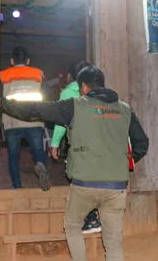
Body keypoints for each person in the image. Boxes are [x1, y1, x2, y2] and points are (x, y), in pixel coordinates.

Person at [0, 65, 149, 261]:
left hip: (84, 185)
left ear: (85, 87)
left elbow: (35, 110)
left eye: (81, 88)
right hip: (116, 186)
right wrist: (126, 161)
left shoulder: (74, 106)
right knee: (113, 242)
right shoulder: (125, 109)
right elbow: (142, 143)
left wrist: (2, 103)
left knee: (72, 226)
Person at [50, 60, 102, 234]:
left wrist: (55, 143)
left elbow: (60, 121)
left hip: (80, 142)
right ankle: (94, 216)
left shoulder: (67, 93)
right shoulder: (102, 93)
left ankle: (90, 218)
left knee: (79, 178)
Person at [0, 46, 50, 190]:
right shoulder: (38, 74)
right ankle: (40, 164)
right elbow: (46, 96)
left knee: (13, 155)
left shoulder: (3, 75)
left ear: (11, 60)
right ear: (27, 60)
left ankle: (17, 185)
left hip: (12, 121)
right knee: (38, 152)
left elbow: (0, 98)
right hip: (33, 119)